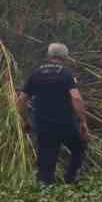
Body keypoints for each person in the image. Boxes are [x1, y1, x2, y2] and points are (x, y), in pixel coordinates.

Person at [16, 42, 91, 185]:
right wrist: (83, 122)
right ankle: (71, 179)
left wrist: (26, 121)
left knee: (46, 161)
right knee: (79, 146)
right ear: (66, 57)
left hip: (44, 125)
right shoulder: (66, 74)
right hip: (66, 124)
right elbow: (76, 98)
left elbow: (21, 101)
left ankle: (46, 193)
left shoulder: (35, 73)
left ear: (49, 56)